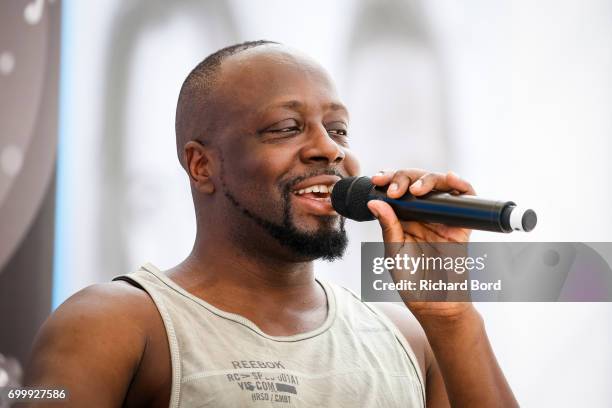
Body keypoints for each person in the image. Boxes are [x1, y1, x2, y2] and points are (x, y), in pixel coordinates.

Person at [24, 40, 517, 407]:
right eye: (286, 128)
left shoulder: (409, 339)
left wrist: (452, 318)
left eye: (339, 129)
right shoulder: (111, 323)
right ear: (202, 166)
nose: (330, 148)